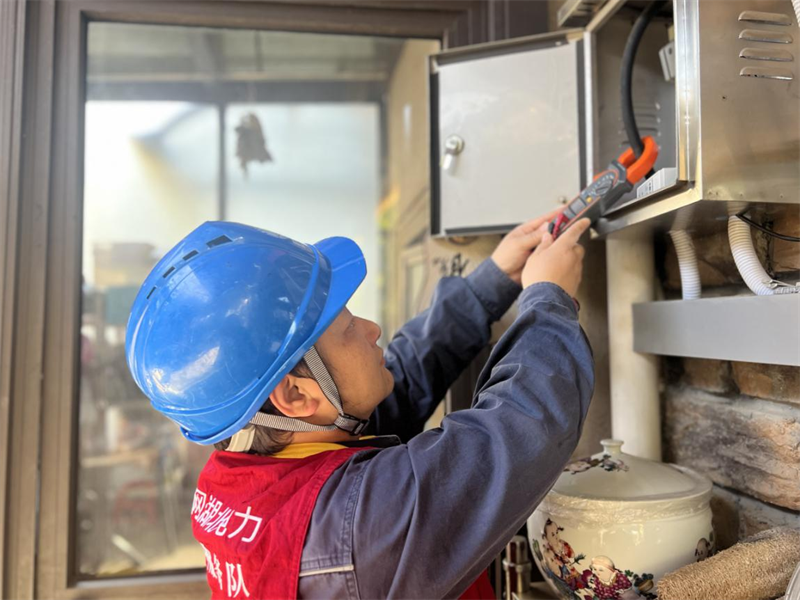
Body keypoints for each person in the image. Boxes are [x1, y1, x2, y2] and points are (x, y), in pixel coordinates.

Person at [126, 211, 594, 600]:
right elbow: (518, 430)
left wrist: (493, 280)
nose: (372, 329)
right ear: (295, 395)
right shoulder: (358, 527)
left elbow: (401, 380)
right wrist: (548, 296)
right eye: (348, 329)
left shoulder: (259, 466)